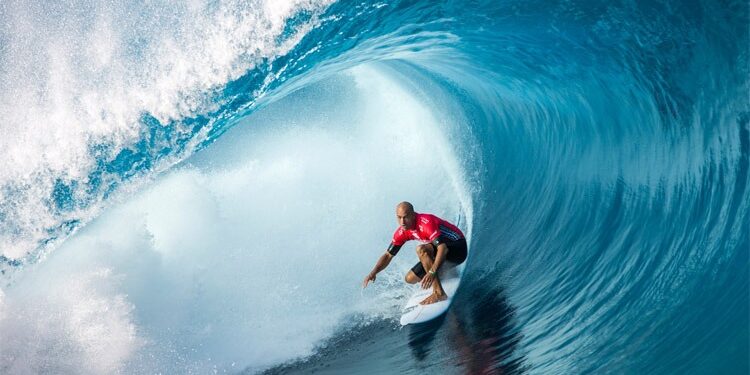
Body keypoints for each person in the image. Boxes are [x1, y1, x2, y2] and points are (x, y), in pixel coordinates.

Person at [362, 201, 467, 305]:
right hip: (443, 254)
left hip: (458, 248)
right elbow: (388, 255)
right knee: (410, 279)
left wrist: (432, 272)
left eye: (405, 217)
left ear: (413, 215)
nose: (402, 222)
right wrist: (374, 272)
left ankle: (439, 293)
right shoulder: (402, 231)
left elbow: (443, 248)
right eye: (399, 217)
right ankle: (444, 272)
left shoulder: (426, 222)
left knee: (421, 249)